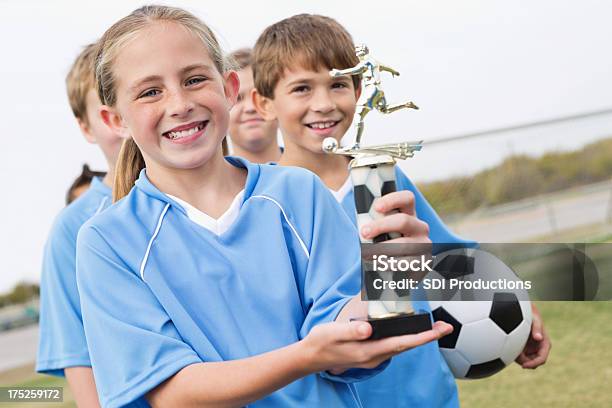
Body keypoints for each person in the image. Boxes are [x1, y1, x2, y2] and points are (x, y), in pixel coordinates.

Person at [76, 6, 452, 407]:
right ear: (115, 119)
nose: (180, 103)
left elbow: (344, 334)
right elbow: (173, 392)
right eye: (151, 91)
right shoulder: (107, 240)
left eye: (195, 79)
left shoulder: (299, 194)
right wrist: (304, 356)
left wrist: (388, 280)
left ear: (230, 88)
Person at [252, 14, 551, 407]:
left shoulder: (382, 181)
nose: (323, 103)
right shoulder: (264, 204)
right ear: (265, 103)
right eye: (302, 88)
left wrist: (516, 305)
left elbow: (452, 260)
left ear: (359, 91)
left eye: (338, 84)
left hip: (427, 394)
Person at [36, 42, 123, 407]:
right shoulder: (73, 228)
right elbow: (78, 354)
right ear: (87, 126)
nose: (126, 117)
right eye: (108, 108)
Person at [227, 48, 281, 163]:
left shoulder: (311, 176)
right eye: (238, 98)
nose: (250, 107)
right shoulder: (208, 181)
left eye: (259, 95)